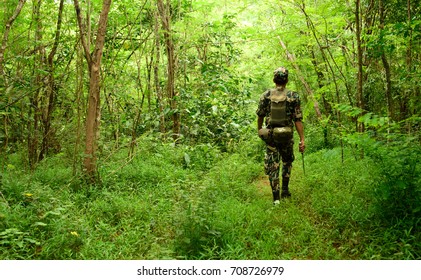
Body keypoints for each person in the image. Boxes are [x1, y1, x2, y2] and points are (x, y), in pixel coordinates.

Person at [256, 67, 305, 205]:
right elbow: (297, 120)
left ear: (274, 79)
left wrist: (260, 130)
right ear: (287, 80)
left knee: (273, 165)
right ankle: (285, 190)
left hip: (271, 136)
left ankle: (276, 198)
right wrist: (302, 139)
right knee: (287, 162)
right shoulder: (293, 96)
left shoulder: (265, 95)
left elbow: (260, 115)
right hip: (287, 136)